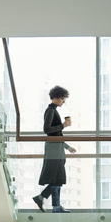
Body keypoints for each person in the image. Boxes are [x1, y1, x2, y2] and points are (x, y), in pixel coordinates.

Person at [33, 85, 77, 213]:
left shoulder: (53, 110)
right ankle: (53, 205)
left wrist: (67, 147)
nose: (63, 102)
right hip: (53, 150)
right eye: (62, 99)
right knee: (57, 178)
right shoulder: (51, 111)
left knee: (57, 178)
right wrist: (63, 125)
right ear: (56, 97)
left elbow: (55, 135)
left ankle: (49, 202)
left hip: (56, 148)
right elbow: (47, 130)